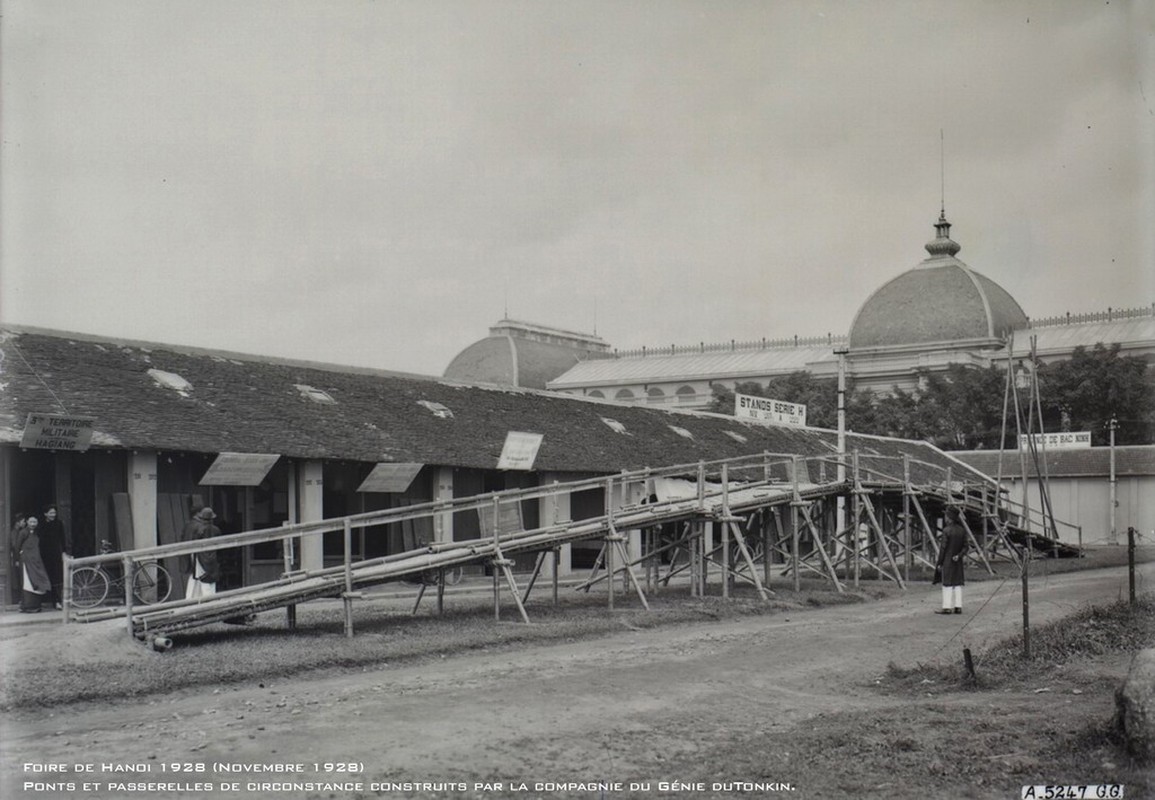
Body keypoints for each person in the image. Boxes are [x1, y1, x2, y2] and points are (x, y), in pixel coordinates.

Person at [13, 515, 52, 613]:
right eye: (31, 522)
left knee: (37, 580)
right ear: (27, 522)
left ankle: (36, 605)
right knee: (28, 582)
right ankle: (27, 606)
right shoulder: (23, 533)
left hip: (36, 561)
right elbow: (17, 546)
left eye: (35, 522)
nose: (33, 524)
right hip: (26, 561)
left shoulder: (37, 533)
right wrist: (17, 559)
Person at [180, 506, 220, 599]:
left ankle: (192, 598)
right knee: (207, 579)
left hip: (197, 556)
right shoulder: (215, 529)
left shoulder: (195, 528)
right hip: (208, 557)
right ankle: (208, 598)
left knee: (197, 577)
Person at [935, 506, 968, 615]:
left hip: (948, 561)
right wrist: (959, 555)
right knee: (957, 583)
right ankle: (958, 607)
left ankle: (947, 607)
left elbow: (943, 548)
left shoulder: (946, 530)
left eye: (946, 515)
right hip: (957, 560)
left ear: (949, 518)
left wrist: (939, 562)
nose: (945, 518)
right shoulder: (962, 530)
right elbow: (966, 547)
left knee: (947, 584)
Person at [38, 505, 71, 610]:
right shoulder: (42, 525)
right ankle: (53, 601)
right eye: (51, 513)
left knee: (58, 578)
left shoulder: (59, 524)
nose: (53, 515)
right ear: (45, 514)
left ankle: (59, 601)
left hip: (56, 553)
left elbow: (62, 538)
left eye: (54, 513)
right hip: (45, 554)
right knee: (49, 578)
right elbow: (39, 541)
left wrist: (64, 552)